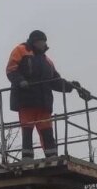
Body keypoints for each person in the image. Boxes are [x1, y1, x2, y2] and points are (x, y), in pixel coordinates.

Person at [6, 30, 89, 160]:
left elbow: (55, 81)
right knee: (27, 130)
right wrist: (21, 81)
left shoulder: (47, 61)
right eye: (40, 41)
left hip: (44, 103)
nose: (42, 44)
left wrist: (71, 86)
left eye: (44, 41)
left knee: (47, 131)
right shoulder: (20, 50)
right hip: (26, 99)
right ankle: (27, 158)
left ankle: (52, 157)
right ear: (34, 41)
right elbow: (11, 69)